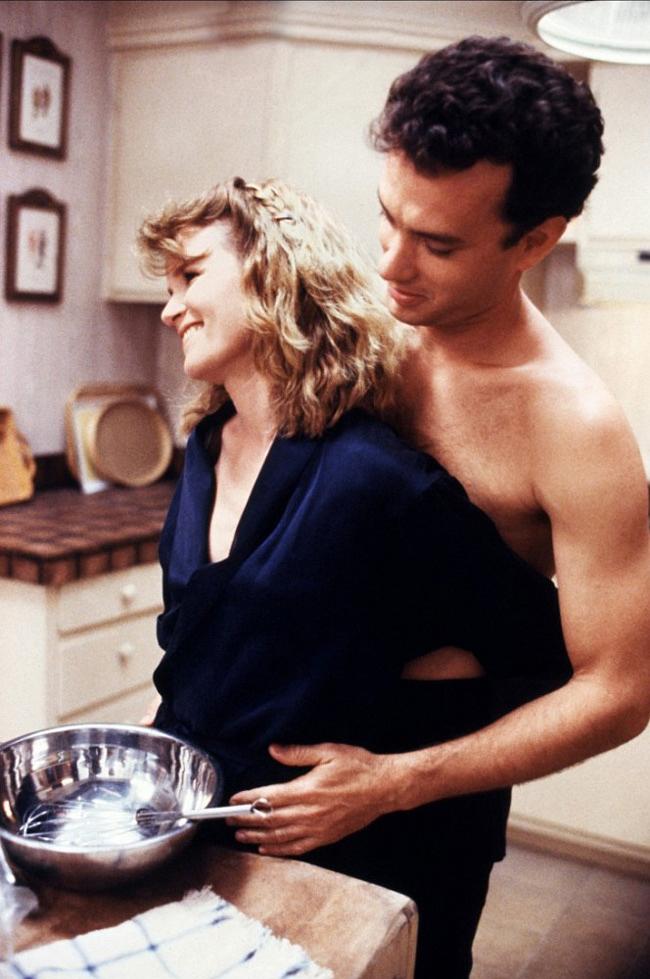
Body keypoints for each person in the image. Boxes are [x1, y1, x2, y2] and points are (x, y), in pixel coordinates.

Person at [226, 35, 650, 973]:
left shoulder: (575, 427)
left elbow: (620, 692)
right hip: (264, 749)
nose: (392, 264)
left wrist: (390, 783)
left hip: (420, 799)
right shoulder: (358, 331)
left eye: (439, 244)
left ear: (536, 239)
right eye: (388, 219)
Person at [138, 175, 571, 978]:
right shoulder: (204, 448)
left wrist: (390, 774)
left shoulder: (377, 478)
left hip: (377, 856)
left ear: (272, 271)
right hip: (222, 837)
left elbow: (535, 650)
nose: (171, 308)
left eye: (189, 275)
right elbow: (209, 637)